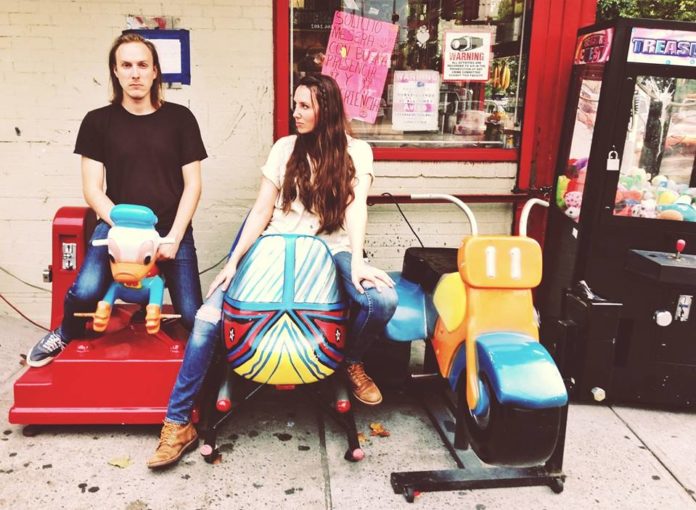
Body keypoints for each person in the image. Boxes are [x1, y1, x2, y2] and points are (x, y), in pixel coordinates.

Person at [147, 74, 398, 469]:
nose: (295, 112)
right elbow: (262, 209)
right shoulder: (285, 148)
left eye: (305, 106)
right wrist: (233, 262)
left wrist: (357, 260)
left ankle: (350, 361)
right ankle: (178, 424)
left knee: (381, 300)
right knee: (207, 318)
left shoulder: (357, 152)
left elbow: (356, 207)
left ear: (327, 110)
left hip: (330, 248)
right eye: (295, 104)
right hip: (272, 247)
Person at [26, 33, 207, 367]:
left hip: (170, 231)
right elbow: (93, 189)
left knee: (192, 315)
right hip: (115, 229)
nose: (135, 73)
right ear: (115, 71)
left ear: (155, 71)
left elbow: (193, 185)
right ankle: (64, 333)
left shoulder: (181, 119)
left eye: (142, 65)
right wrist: (126, 232)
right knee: (85, 292)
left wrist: (175, 236)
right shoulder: (97, 122)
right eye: (126, 65)